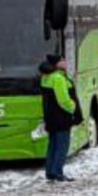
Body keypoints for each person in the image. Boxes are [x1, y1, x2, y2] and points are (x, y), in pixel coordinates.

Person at [39, 54, 82, 182]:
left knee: (53, 145)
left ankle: (50, 172)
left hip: (51, 117)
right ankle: (58, 172)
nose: (65, 61)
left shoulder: (46, 77)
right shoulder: (58, 78)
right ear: (57, 64)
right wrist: (73, 107)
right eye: (62, 60)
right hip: (61, 117)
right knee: (62, 146)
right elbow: (63, 100)